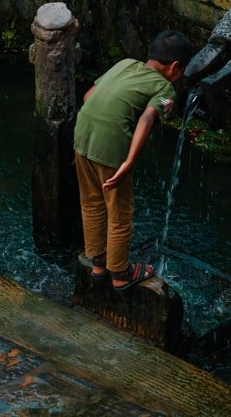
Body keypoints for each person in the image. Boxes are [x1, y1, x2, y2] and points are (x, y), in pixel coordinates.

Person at [73, 29, 194, 290]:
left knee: (92, 202)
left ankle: (97, 263)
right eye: (182, 71)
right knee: (120, 212)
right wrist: (128, 161)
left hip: (82, 135)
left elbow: (88, 96)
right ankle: (120, 273)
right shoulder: (165, 88)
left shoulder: (124, 64)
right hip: (110, 146)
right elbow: (148, 118)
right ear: (175, 66)